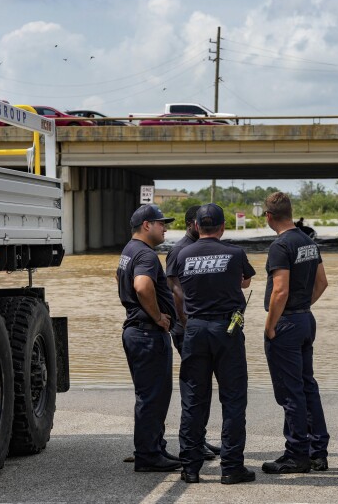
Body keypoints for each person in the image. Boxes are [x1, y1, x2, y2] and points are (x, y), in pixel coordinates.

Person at [175, 203, 257, 485]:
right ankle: (232, 467)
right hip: (227, 329)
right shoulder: (235, 253)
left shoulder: (183, 253)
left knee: (193, 399)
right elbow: (246, 282)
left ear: (196, 226)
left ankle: (190, 468)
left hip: (195, 328)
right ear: (223, 227)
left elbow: (178, 287)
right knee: (233, 399)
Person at [261, 192, 330, 474]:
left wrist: (271, 324)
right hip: (304, 320)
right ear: (290, 212)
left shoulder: (280, 246)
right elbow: (322, 283)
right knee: (306, 386)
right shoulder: (308, 242)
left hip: (286, 324)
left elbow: (280, 290)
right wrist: (303, 307)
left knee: (290, 392)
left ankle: (296, 454)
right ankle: (317, 451)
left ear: (268, 216)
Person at [117, 204, 180, 472]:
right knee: (152, 396)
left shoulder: (129, 251)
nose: (165, 227)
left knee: (150, 395)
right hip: (146, 332)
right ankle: (148, 456)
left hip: (138, 331)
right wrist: (158, 317)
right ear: (146, 226)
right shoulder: (145, 254)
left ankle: (154, 448)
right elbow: (142, 286)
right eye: (161, 223)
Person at [165, 205, 221, 461]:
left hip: (195, 325)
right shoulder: (180, 251)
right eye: (199, 222)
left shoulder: (197, 248)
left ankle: (199, 439)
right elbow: (175, 291)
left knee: (202, 385)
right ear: (192, 224)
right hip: (185, 326)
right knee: (197, 387)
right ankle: (193, 443)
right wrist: (187, 323)